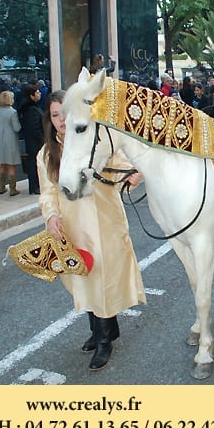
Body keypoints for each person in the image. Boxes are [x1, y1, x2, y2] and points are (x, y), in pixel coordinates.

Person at [36, 90, 146, 371]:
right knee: (83, 277)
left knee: (103, 279)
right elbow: (48, 192)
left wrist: (133, 173)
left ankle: (106, 338)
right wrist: (51, 217)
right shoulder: (48, 153)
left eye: (64, 113)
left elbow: (120, 168)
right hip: (73, 226)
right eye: (55, 115)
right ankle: (98, 331)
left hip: (104, 221)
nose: (61, 120)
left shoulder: (94, 140)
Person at [0, 90, 22, 195]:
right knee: (11, 164)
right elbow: (16, 128)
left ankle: (2, 187)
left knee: (2, 164)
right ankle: (13, 189)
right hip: (10, 139)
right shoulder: (12, 112)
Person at [19, 85, 44, 194]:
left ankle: (36, 186)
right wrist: (42, 139)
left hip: (34, 142)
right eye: (37, 93)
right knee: (34, 165)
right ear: (31, 96)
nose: (40, 94)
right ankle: (34, 187)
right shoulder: (31, 110)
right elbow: (34, 127)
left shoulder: (33, 108)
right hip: (35, 143)